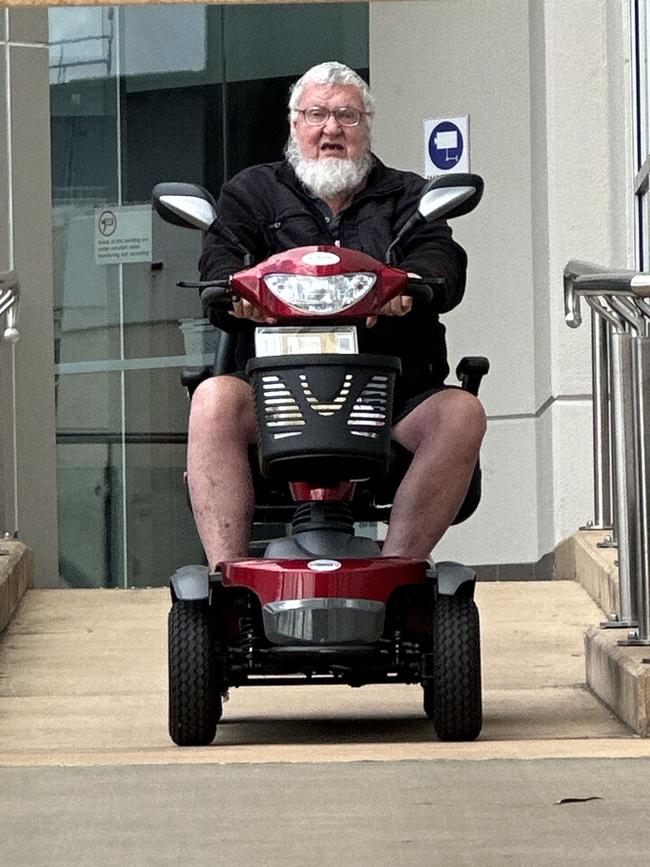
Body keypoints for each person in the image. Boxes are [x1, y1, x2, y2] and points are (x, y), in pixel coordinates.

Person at [189, 61, 486, 569]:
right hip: (272, 396)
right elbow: (220, 256)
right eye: (317, 114)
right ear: (294, 124)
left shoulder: (410, 196)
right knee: (213, 399)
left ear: (367, 125)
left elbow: (442, 261)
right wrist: (233, 292)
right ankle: (228, 584)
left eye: (347, 116)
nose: (331, 129)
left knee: (461, 414)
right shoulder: (251, 193)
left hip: (392, 398)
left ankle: (399, 574)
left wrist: (411, 288)